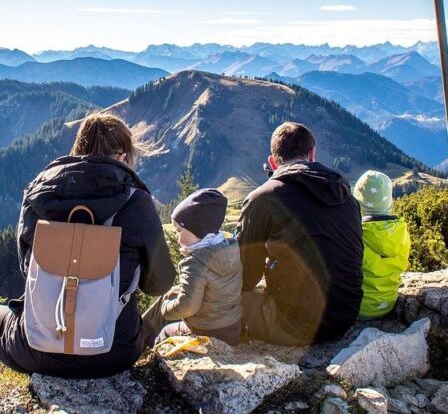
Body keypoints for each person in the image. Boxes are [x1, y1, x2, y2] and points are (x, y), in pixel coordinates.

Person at [0, 112, 175, 378]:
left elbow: (26, 267)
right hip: (113, 352)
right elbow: (159, 283)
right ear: (123, 157)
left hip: (36, 350)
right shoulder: (137, 202)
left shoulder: (38, 193)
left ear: (77, 150)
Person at [236, 122, 363, 345]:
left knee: (208, 303)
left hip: (294, 326)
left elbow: (246, 276)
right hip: (345, 317)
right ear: (312, 154)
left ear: (273, 162)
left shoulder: (264, 198)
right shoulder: (345, 195)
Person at [141, 188, 242, 346]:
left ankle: (145, 355)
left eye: (179, 230)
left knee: (166, 331)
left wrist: (165, 309)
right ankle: (139, 334)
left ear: (197, 231)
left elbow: (187, 306)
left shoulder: (196, 263)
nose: (176, 235)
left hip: (206, 331)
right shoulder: (230, 249)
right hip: (231, 327)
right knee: (170, 293)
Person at [353, 170, 410, 319]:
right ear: (389, 201)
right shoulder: (401, 231)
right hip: (389, 303)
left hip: (359, 308)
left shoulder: (356, 233)